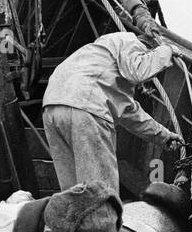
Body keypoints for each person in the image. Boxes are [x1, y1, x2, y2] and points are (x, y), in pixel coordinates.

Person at [42, 30, 183, 202]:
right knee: (102, 192)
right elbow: (139, 71)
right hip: (88, 106)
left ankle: (72, 226)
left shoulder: (100, 56)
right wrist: (167, 50)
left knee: (72, 193)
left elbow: (130, 113)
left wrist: (164, 136)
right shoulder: (130, 41)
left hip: (53, 106)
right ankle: (104, 226)